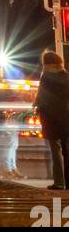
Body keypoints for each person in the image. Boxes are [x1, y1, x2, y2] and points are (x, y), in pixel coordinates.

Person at [35, 50, 69, 190]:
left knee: (55, 152)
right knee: (68, 152)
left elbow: (42, 98)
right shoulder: (67, 77)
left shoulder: (46, 78)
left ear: (46, 64)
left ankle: (59, 182)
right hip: (67, 119)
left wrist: (38, 108)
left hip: (51, 120)